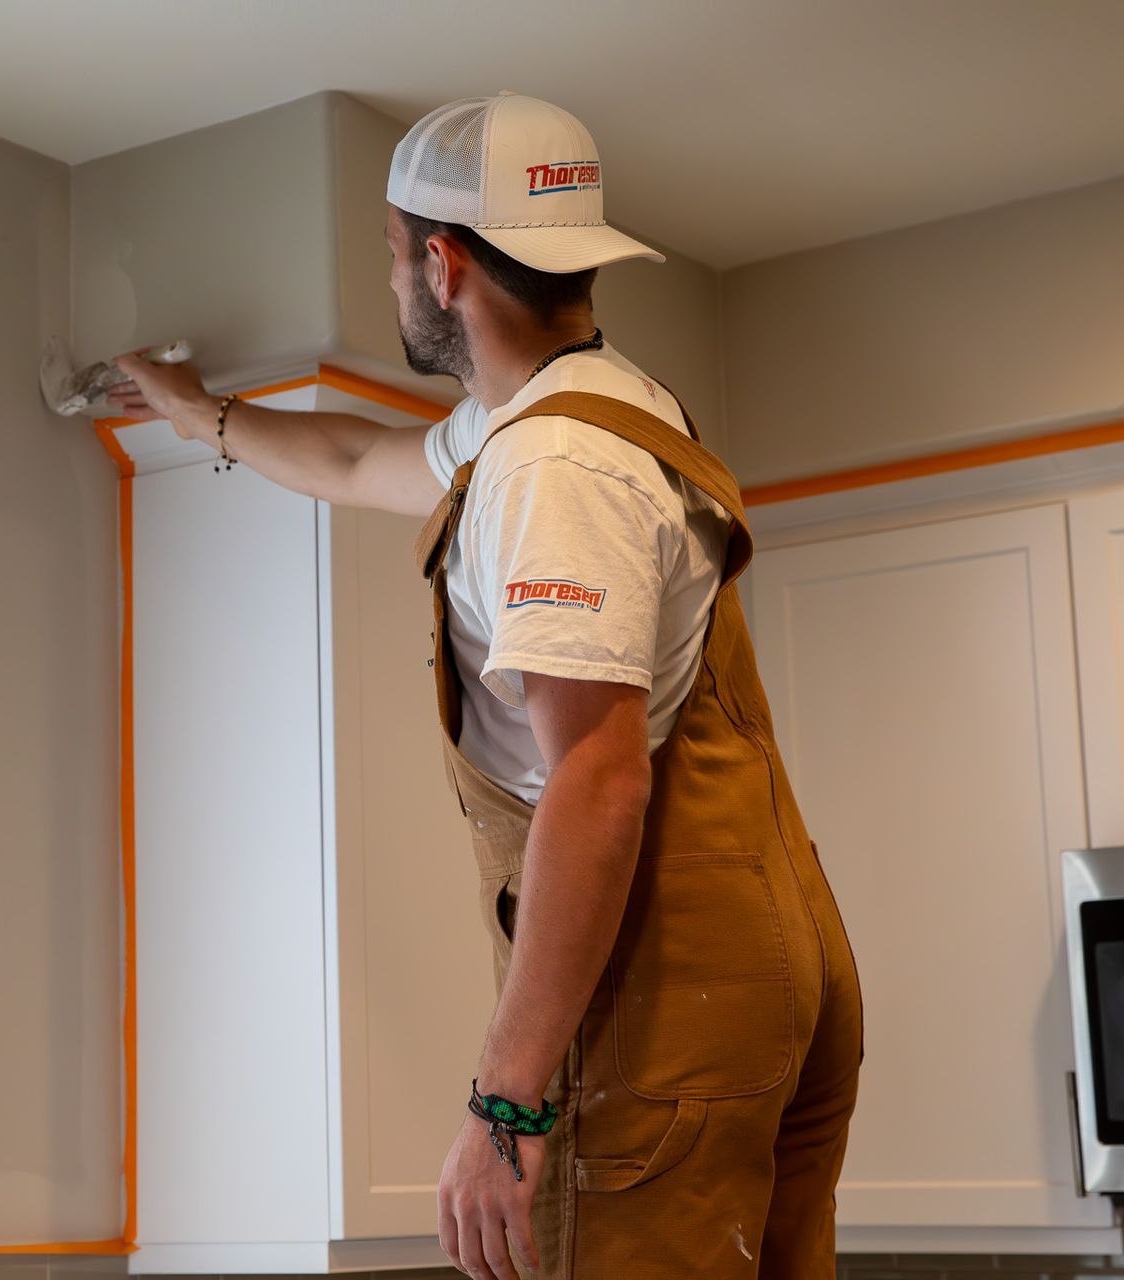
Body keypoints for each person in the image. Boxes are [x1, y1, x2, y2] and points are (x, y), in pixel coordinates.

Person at [108, 91, 862, 1280]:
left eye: (392, 253)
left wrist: (504, 1102)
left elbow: (599, 778)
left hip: (669, 993)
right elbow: (357, 458)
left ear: (443, 265)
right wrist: (197, 412)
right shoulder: (598, 406)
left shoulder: (552, 467)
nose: (392, 277)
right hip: (764, 954)